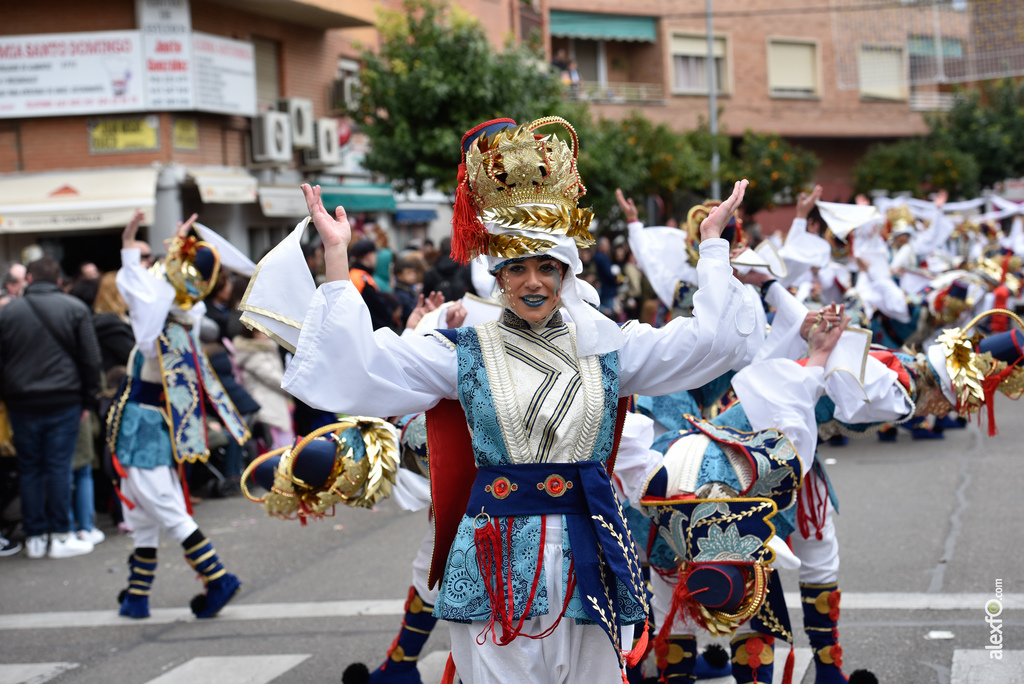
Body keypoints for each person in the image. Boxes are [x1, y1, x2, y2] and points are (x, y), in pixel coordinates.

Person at [248, 116, 757, 684]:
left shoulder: (611, 346)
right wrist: (337, 258)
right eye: (517, 268)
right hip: (494, 556)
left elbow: (713, 342)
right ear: (499, 276)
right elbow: (362, 364)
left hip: (590, 552)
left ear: (567, 273)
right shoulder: (461, 353)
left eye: (547, 267)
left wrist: (713, 247)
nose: (533, 282)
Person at [109, 210, 246, 619]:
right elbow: (156, 291)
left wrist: (131, 250)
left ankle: (218, 577)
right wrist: (176, 247)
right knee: (141, 510)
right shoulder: (189, 316)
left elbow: (143, 294)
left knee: (163, 507)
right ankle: (136, 595)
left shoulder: (155, 330)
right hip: (155, 424)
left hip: (143, 427)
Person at [0, 257, 101, 559]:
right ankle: (59, 534)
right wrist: (88, 400)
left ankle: (35, 536)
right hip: (64, 398)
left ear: (29, 279)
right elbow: (91, 360)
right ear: (58, 280)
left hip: (22, 400)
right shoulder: (74, 308)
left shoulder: (8, 313)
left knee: (29, 468)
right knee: (58, 467)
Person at [349, 238, 394, 331]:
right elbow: (378, 313)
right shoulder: (363, 279)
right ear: (369, 256)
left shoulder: (353, 274)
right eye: (375, 254)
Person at [422, 236, 474, 302]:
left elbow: (426, 297)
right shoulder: (466, 268)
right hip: (462, 308)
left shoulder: (431, 272)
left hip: (439, 310)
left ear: (440, 250)